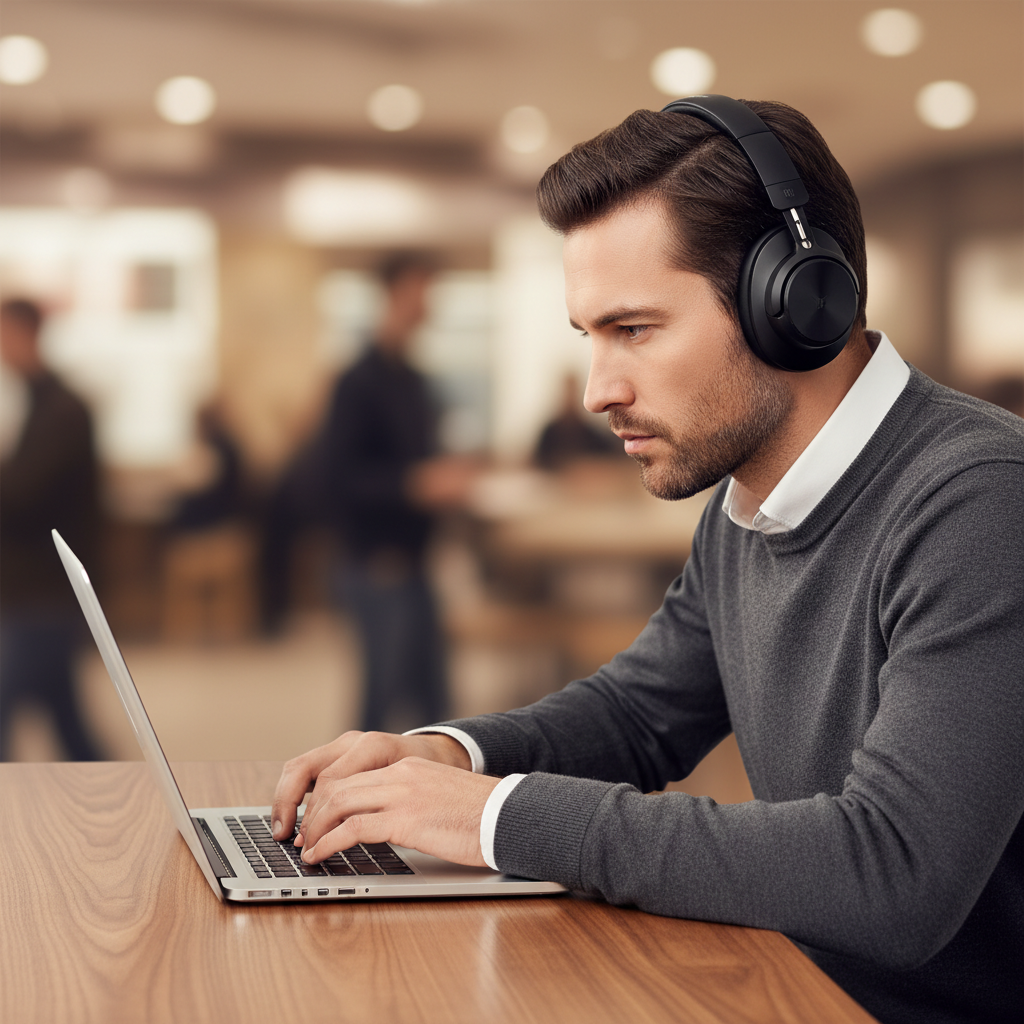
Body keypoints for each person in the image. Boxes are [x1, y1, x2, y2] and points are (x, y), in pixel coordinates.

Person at [269, 100, 1023, 1024]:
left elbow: (892, 874)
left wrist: (491, 816)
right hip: (792, 984)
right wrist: (448, 755)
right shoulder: (746, 504)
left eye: (633, 330)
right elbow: (638, 715)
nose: (599, 391)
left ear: (795, 301)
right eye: (589, 336)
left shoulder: (983, 503)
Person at [320, 253, 474, 733]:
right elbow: (338, 479)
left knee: (436, 709)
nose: (428, 304)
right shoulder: (357, 381)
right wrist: (415, 483)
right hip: (376, 563)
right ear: (392, 294)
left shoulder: (415, 380)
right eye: (420, 291)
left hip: (417, 561)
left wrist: (447, 475)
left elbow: (421, 459)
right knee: (380, 708)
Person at [0, 298, 103, 761]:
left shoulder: (62, 410)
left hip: (44, 592)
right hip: (35, 590)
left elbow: (23, 495)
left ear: (23, 334)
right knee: (69, 725)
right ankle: (118, 790)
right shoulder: (40, 404)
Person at [532, 372, 621, 470]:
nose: (569, 397)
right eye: (566, 391)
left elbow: (610, 456)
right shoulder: (550, 431)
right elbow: (538, 461)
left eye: (573, 391)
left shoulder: (589, 431)